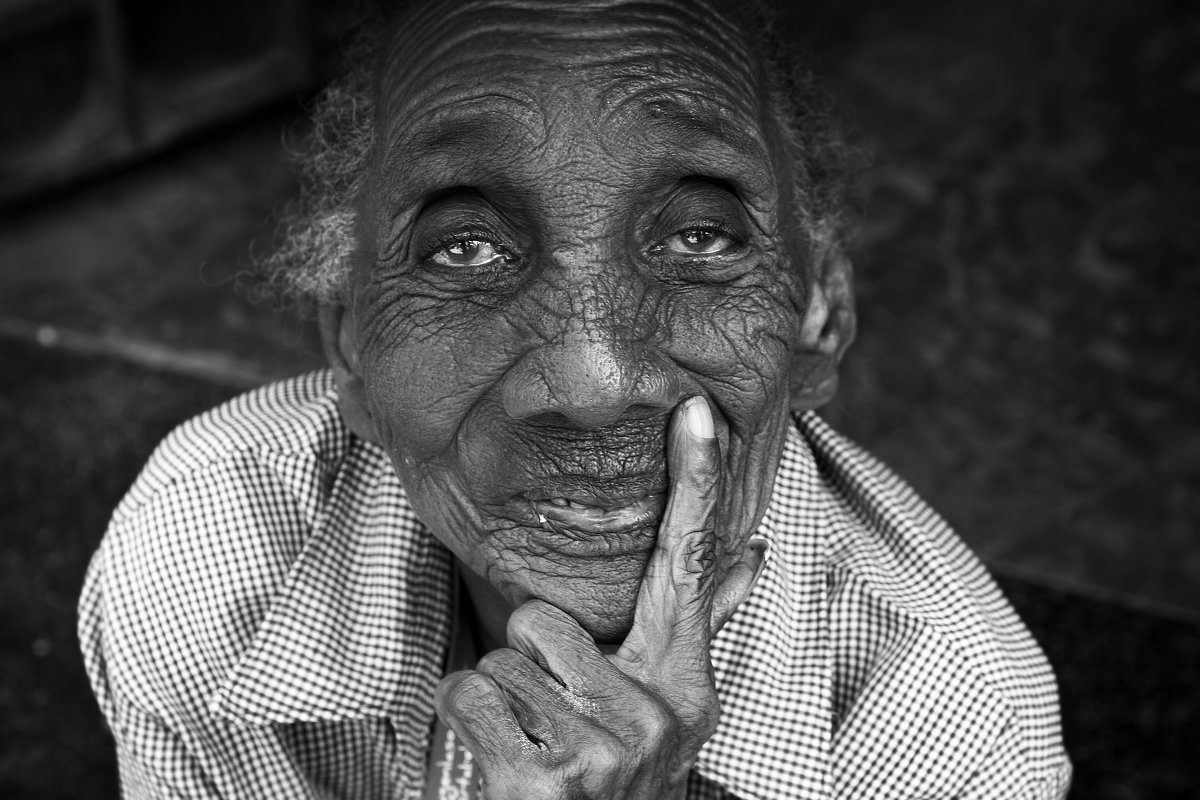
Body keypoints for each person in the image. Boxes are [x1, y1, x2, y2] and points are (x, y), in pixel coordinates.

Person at [78, 0, 1072, 797]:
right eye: (465, 246)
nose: (597, 385)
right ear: (349, 338)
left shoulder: (949, 733)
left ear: (819, 317)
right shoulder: (202, 557)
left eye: (699, 238)